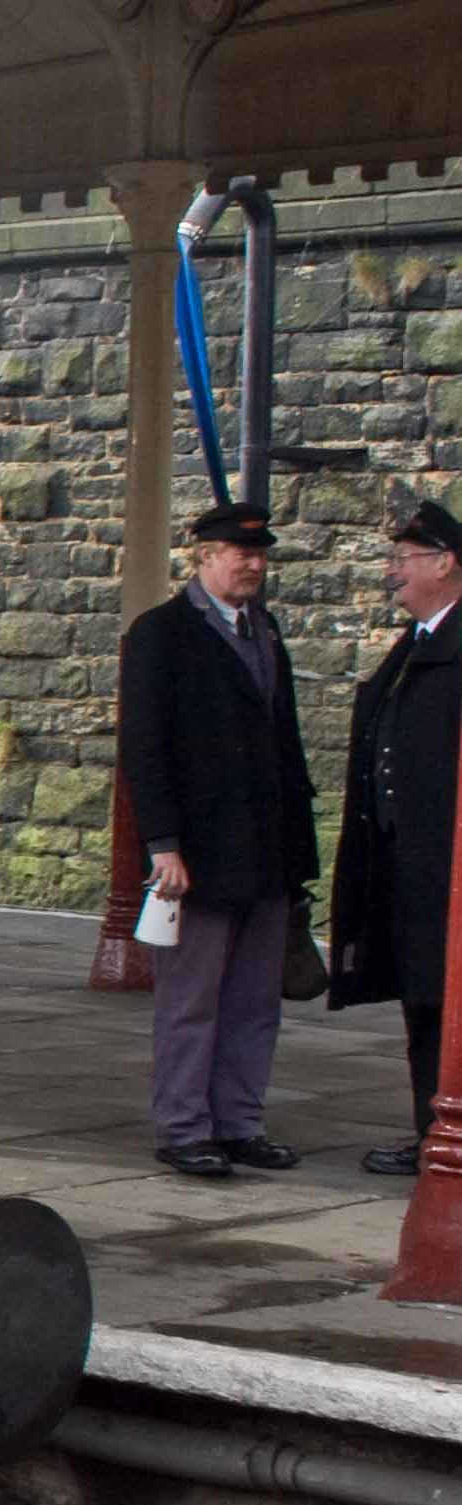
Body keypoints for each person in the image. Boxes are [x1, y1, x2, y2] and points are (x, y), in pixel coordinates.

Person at [117, 501, 317, 1178]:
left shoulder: (264, 632)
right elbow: (145, 749)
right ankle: (183, 1126)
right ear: (202, 556)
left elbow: (282, 747)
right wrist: (162, 844)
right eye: (240, 554)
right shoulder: (160, 635)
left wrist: (299, 853)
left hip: (264, 850)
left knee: (254, 1000)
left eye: (259, 556)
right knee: (191, 999)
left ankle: (238, 1122)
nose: (253, 565)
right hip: (199, 851)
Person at [325, 499, 462, 1174]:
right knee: (421, 999)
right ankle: (429, 1127)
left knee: (447, 1004)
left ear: (444, 563)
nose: (391, 572)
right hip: (405, 863)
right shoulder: (415, 646)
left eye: (404, 560)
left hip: (447, 866)